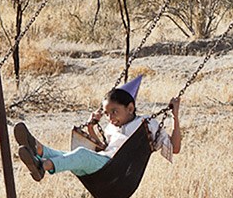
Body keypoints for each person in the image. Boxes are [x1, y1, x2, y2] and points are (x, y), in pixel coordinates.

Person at [13, 75, 181, 181]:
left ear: (130, 108)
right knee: (72, 156)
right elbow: (103, 148)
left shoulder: (146, 124)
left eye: (115, 112)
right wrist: (92, 127)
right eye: (107, 113)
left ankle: (43, 166)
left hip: (118, 171)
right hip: (103, 165)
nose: (110, 118)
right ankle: (38, 149)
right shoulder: (110, 128)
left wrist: (175, 117)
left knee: (80, 155)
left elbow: (175, 148)